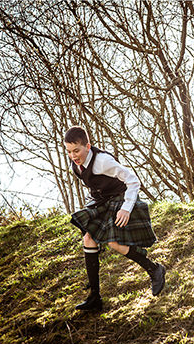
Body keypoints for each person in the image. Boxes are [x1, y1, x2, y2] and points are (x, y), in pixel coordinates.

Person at [64, 125, 165, 313]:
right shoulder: (76, 166)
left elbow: (133, 180)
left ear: (88, 145)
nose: (73, 156)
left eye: (76, 151)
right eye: (69, 152)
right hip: (103, 202)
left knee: (113, 243)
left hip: (122, 198)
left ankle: (155, 269)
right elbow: (96, 187)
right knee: (88, 239)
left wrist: (126, 209)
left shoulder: (103, 161)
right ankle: (95, 297)